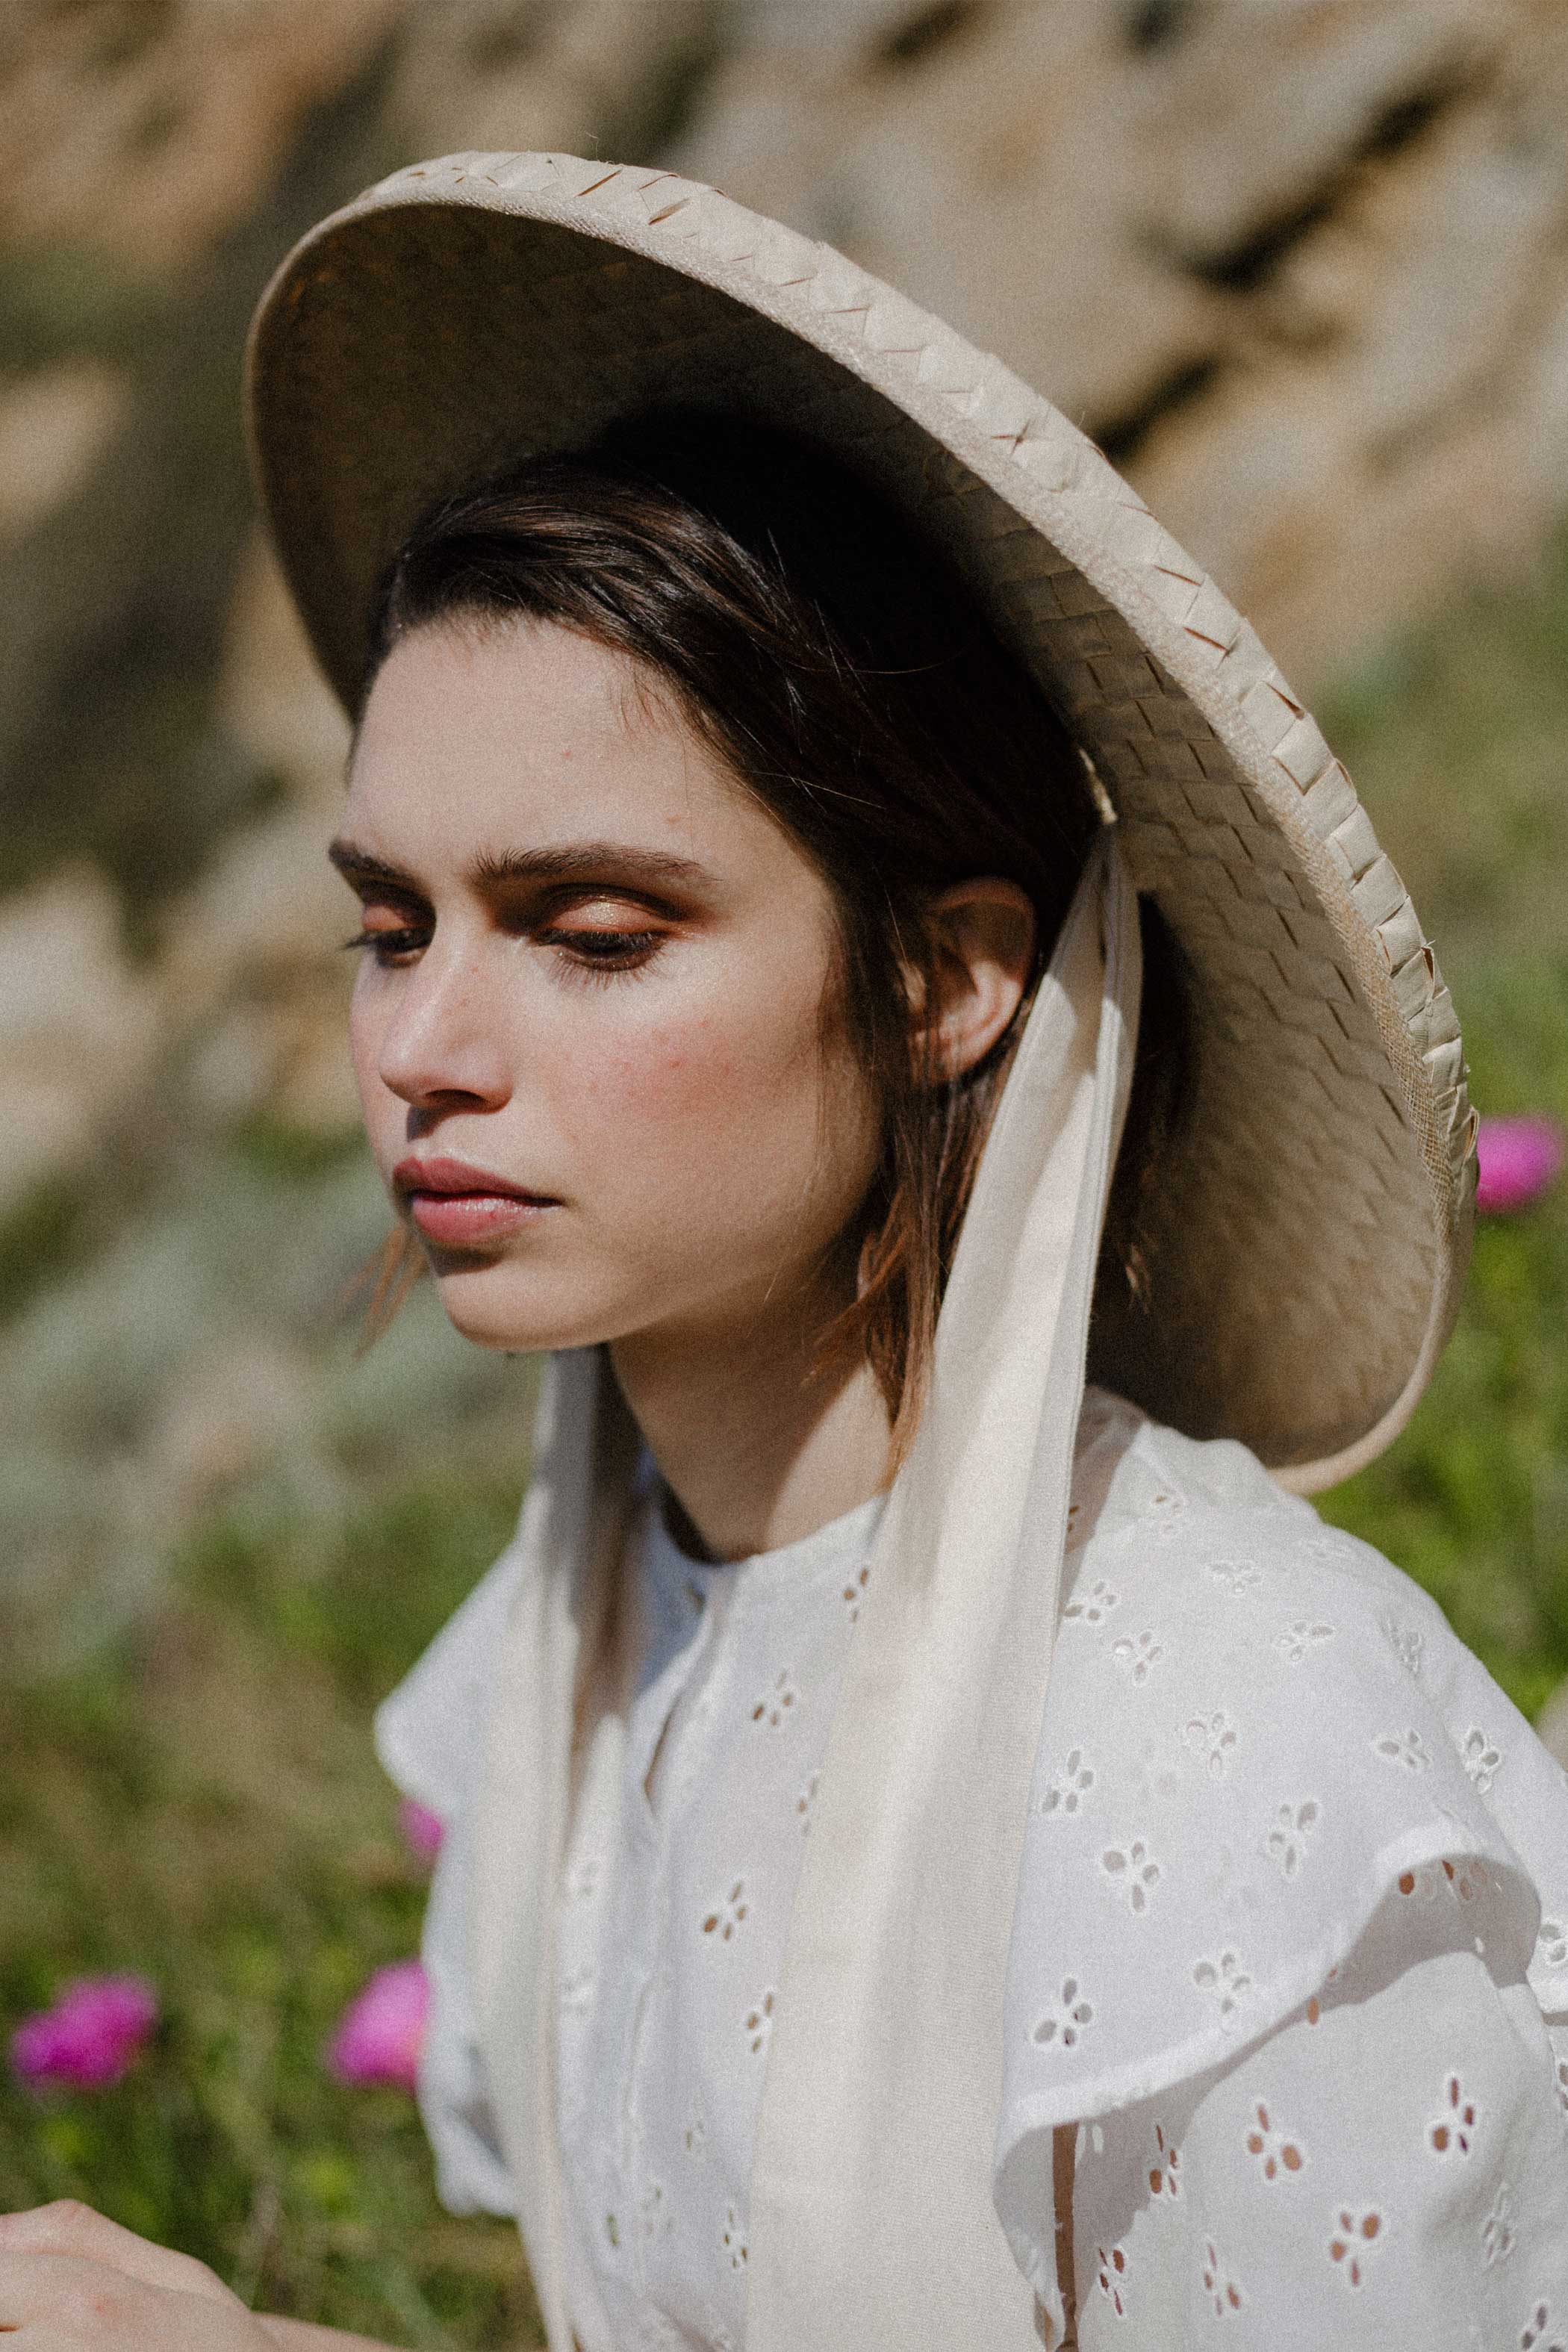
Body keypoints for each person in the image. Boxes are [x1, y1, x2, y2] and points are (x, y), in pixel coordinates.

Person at [2, 152, 1565, 2352]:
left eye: (592, 932)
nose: (422, 1049)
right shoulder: (589, 1642)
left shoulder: (1225, 1751)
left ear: (947, 980)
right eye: (393, 925)